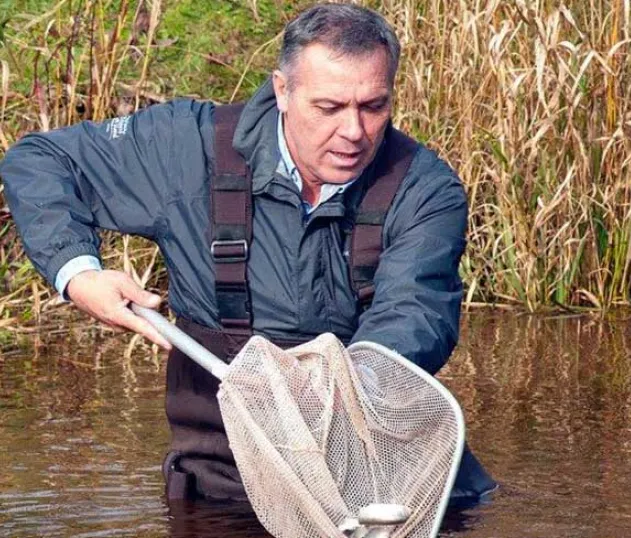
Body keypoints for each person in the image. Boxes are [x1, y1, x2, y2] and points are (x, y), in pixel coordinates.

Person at [0, 3, 495, 507]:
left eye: (373, 106)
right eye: (328, 108)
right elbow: (40, 159)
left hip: (379, 473)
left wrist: (342, 389)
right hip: (223, 478)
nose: (353, 131)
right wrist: (79, 274)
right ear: (282, 91)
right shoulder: (185, 147)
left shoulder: (425, 189)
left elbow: (415, 313)